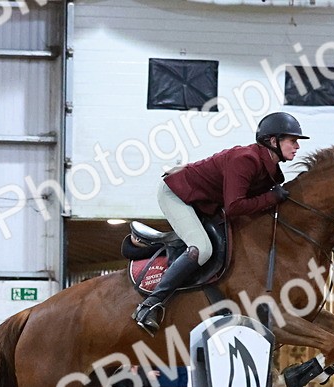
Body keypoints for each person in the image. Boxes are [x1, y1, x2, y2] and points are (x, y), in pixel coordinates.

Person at [131, 111, 309, 335]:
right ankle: (150, 305)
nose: (297, 146)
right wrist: (271, 198)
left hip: (205, 202)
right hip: (176, 194)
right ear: (273, 141)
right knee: (202, 249)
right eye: (292, 140)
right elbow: (234, 206)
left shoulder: (271, 170)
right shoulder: (245, 159)